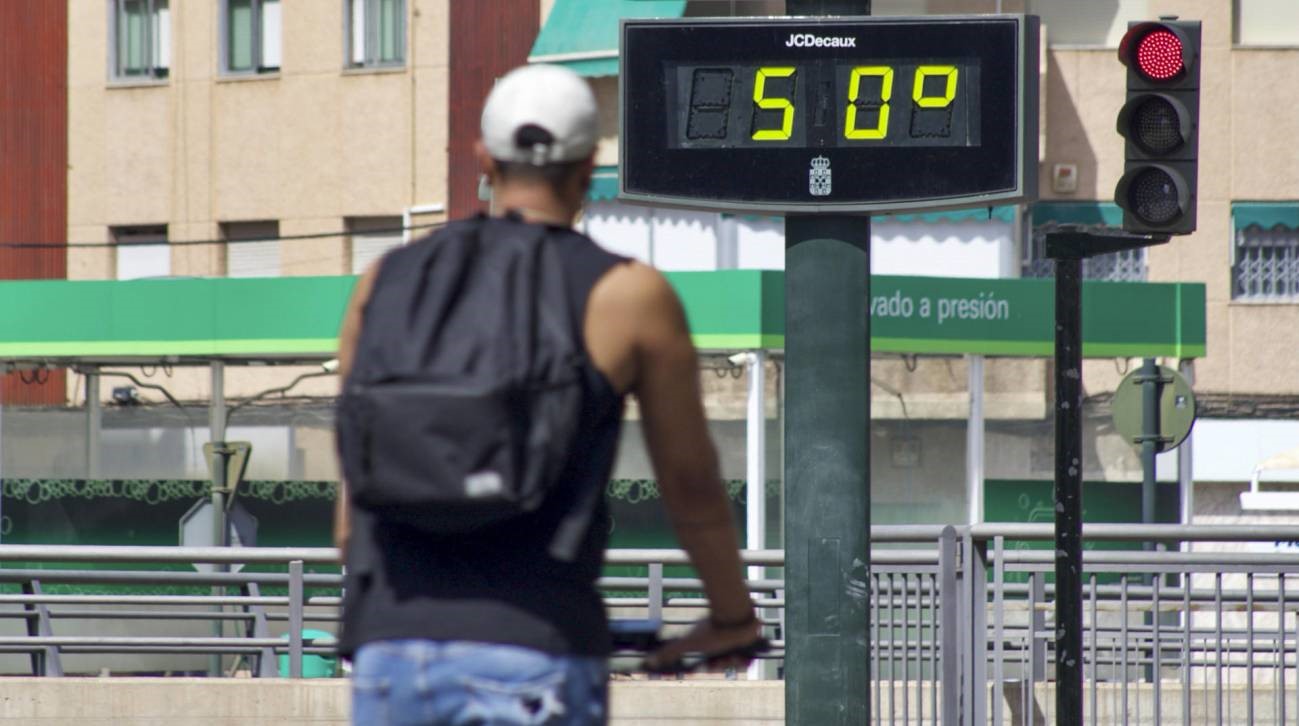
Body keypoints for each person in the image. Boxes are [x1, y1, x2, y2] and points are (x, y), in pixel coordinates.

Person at [333, 63, 763, 725]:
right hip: (537, 647)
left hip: (390, 649)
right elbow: (691, 486)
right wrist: (731, 618)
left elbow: (349, 506)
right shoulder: (628, 296)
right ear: (591, 162)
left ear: (483, 156)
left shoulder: (385, 281)